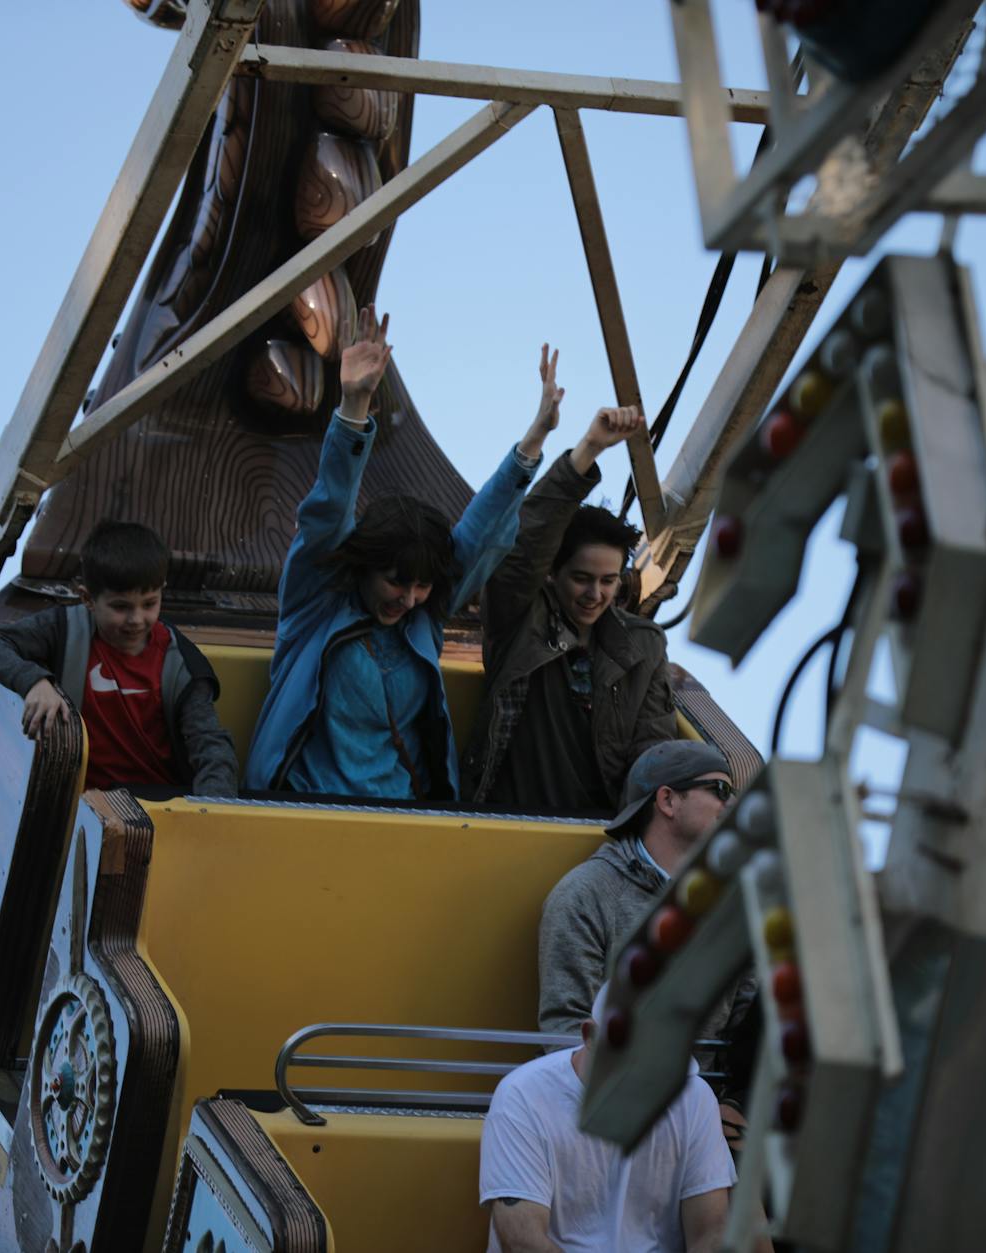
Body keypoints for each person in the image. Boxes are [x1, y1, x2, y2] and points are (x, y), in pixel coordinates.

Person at [244, 308, 558, 800]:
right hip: (305, 810)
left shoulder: (422, 621)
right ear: (365, 567)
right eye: (396, 581)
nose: (410, 599)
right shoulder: (315, 606)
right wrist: (354, 405)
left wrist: (533, 442)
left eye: (423, 586)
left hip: (397, 819)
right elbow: (328, 507)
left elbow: (480, 532)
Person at [537, 740, 757, 1147]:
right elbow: (565, 1030)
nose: (731, 806)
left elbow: (747, 1029)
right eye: (720, 791)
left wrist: (730, 1107)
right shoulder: (584, 895)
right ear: (668, 801)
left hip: (705, 1128)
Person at [462, 401, 676, 812]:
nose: (595, 593)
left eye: (608, 581)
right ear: (552, 574)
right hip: (507, 823)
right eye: (582, 578)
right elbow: (526, 545)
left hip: (595, 838)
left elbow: (654, 751)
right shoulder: (520, 618)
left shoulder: (644, 646)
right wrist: (588, 450)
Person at [0, 520, 238, 796]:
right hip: (84, 807)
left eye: (149, 604)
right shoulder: (64, 629)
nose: (136, 619)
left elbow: (212, 749)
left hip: (161, 805)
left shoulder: (180, 664)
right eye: (120, 607)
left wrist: (207, 815)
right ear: (88, 599)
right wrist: (35, 682)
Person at [480, 983, 756, 1253]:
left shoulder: (692, 1096)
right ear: (590, 1035)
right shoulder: (524, 1095)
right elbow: (522, 1241)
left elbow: (711, 1231)